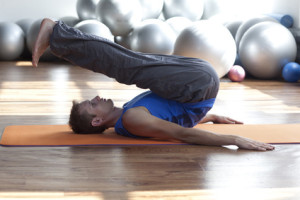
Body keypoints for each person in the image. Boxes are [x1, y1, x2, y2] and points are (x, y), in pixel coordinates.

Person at [32, 18, 275, 151]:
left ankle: (59, 36)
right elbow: (180, 133)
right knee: (126, 66)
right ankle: (57, 34)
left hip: (195, 81)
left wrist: (211, 116)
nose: (96, 97)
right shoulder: (131, 120)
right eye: (92, 104)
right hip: (197, 85)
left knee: (130, 64)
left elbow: (174, 119)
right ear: (97, 121)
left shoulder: (130, 112)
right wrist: (232, 140)